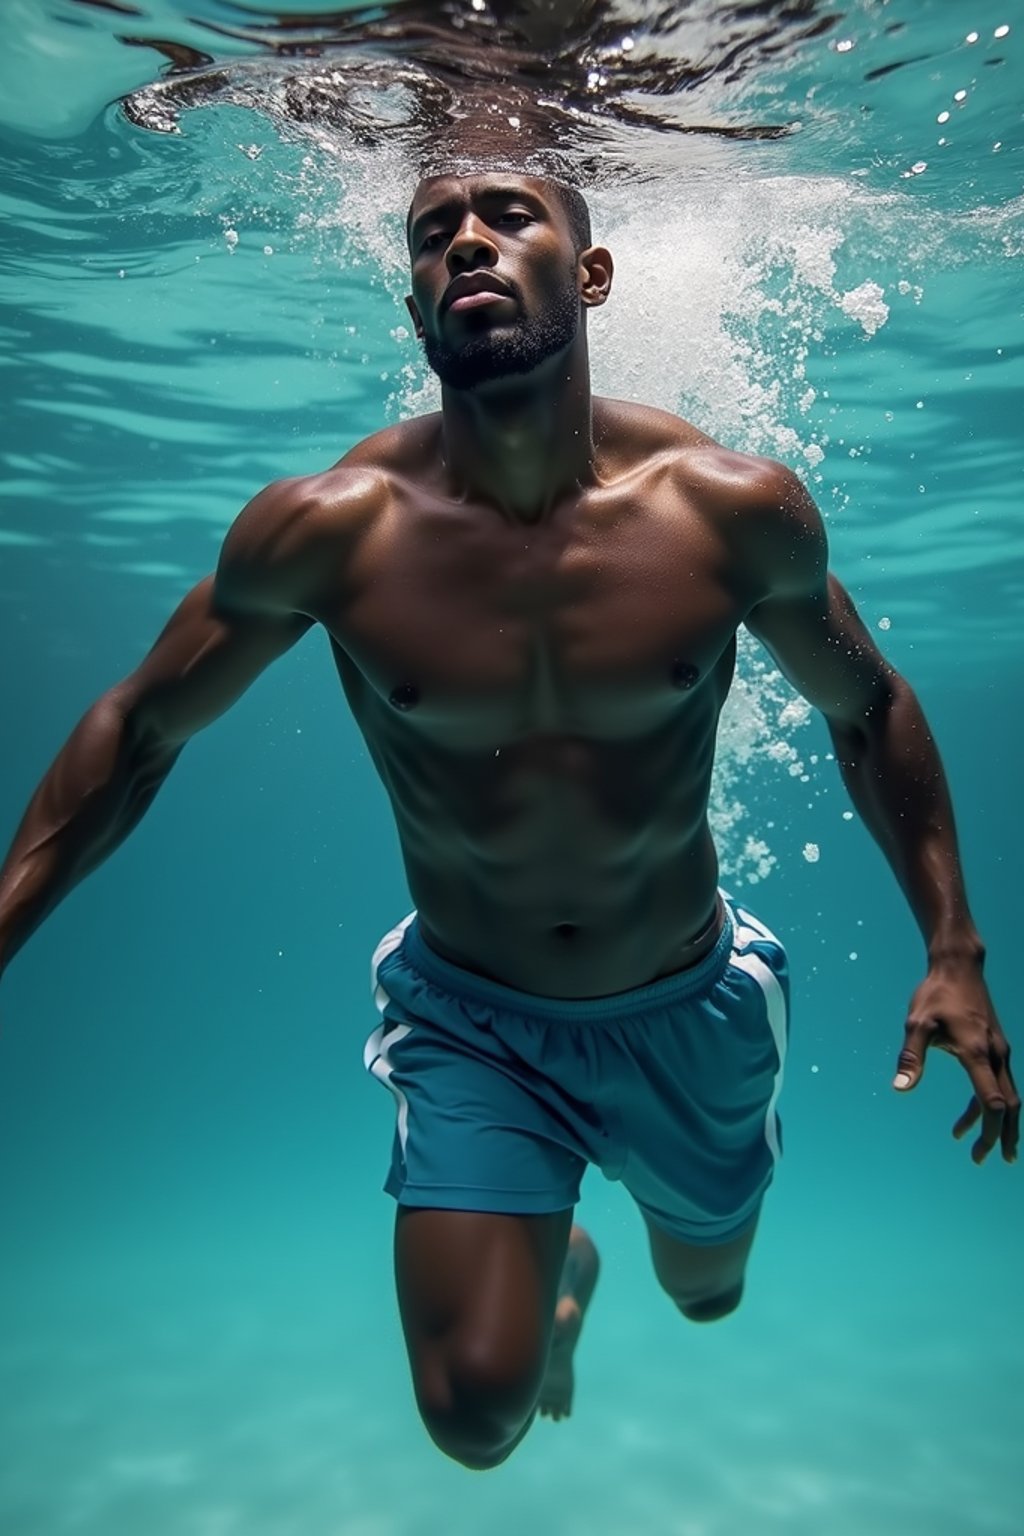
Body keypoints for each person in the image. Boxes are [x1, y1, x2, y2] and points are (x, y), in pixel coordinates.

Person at [0, 170, 1017, 1472]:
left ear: (591, 278)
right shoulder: (329, 533)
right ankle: (544, 1249)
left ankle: (580, 1261)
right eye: (434, 234)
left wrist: (955, 947)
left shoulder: (730, 510)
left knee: (710, 1293)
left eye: (509, 216)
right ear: (415, 302)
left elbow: (870, 710)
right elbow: (139, 727)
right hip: (473, 1018)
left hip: (686, 1004)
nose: (468, 240)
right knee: (475, 1417)